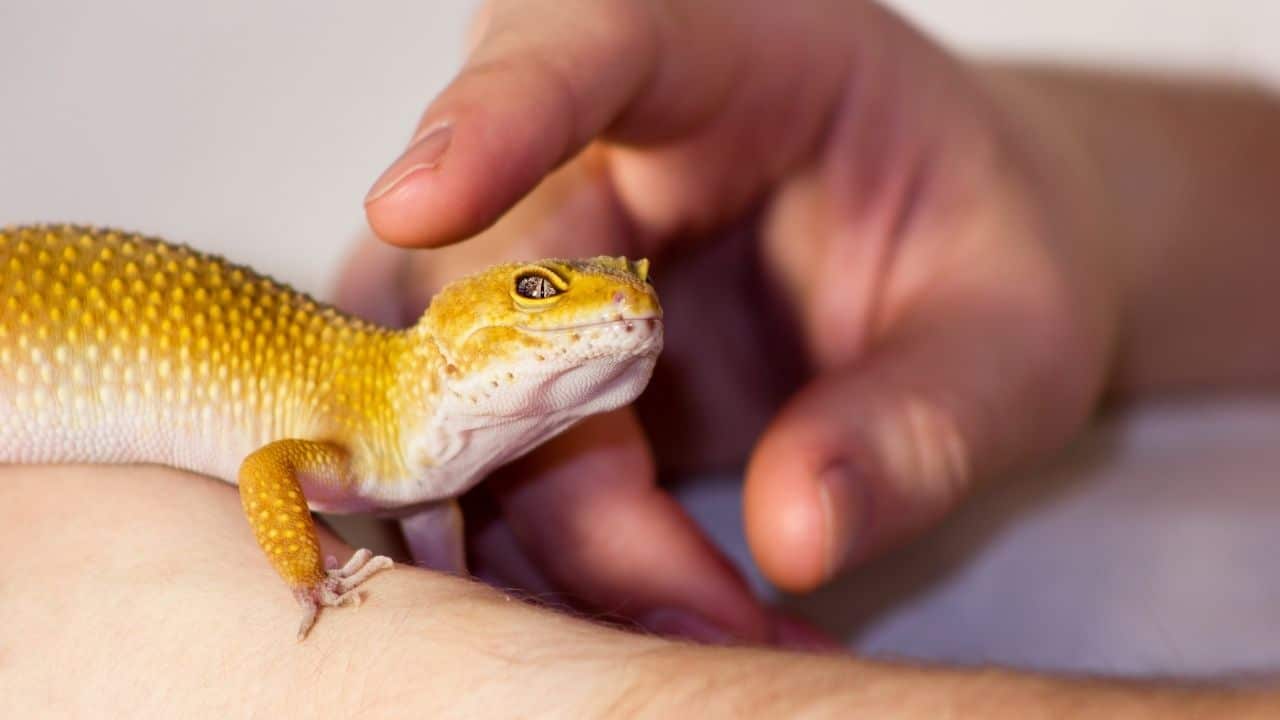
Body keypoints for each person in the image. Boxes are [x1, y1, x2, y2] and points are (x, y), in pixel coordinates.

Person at [6, 0, 1279, 714]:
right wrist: (317, 591)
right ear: (451, 331)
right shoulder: (371, 422)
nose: (612, 304)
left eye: (628, 293)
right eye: (553, 290)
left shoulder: (422, 458)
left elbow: (434, 524)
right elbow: (280, 468)